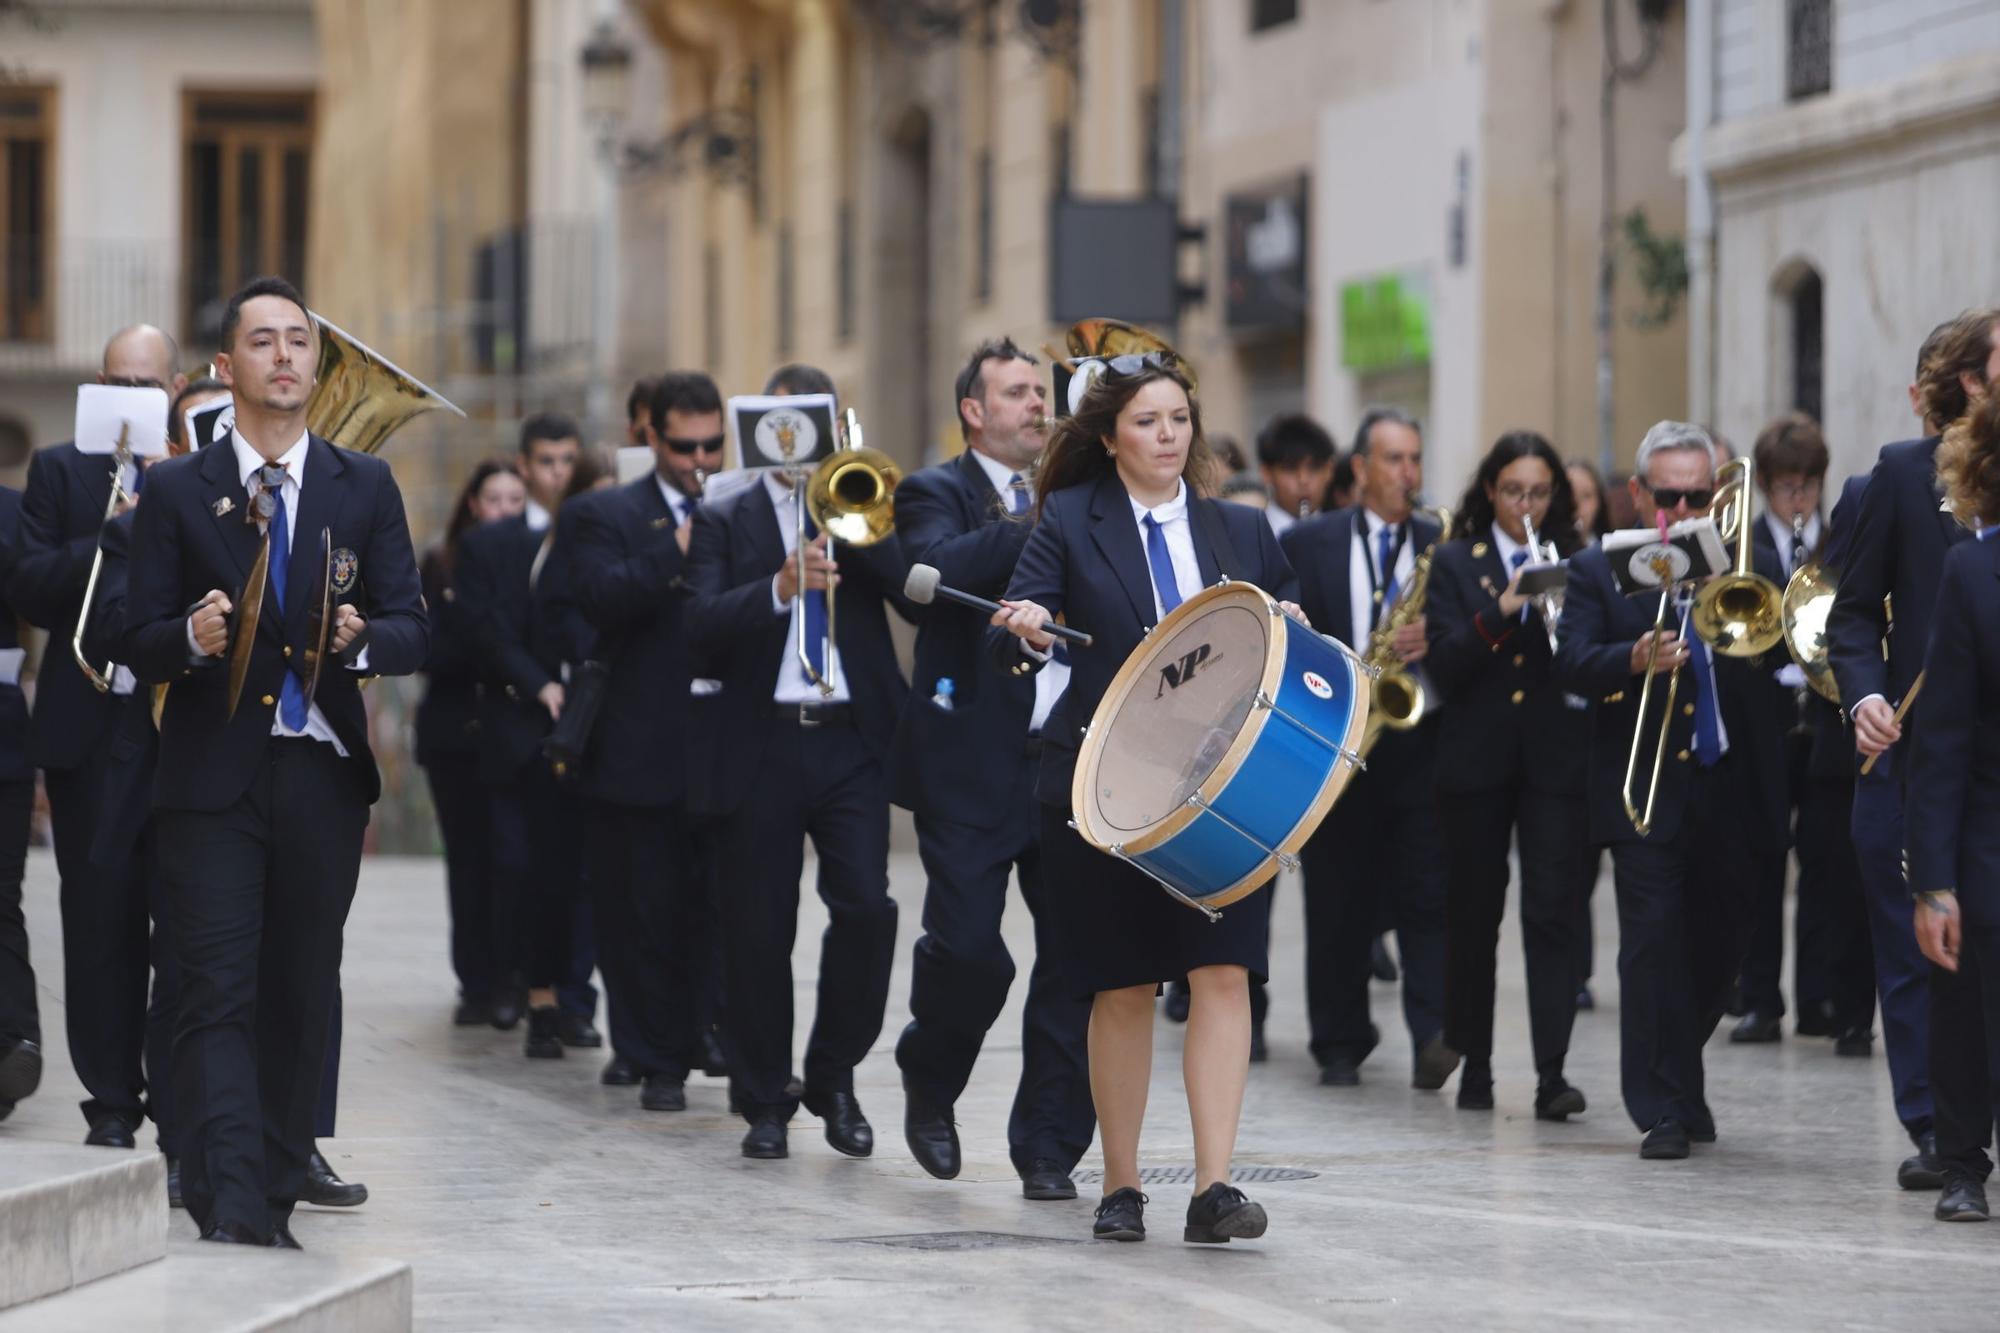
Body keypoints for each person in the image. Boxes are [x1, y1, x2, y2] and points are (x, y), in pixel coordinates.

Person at [119, 275, 427, 1246]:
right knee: (213, 985)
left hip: (321, 775)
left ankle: (277, 1181)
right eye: (264, 341)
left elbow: (416, 625)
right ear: (227, 366)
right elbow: (130, 633)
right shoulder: (175, 489)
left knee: (301, 986)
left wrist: (362, 635)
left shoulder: (364, 483)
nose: (286, 356)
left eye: (299, 340)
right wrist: (190, 637)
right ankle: (235, 1203)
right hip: (211, 777)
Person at [990, 356, 1297, 1244]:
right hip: (1107, 788)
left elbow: (1288, 631)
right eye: (1147, 422)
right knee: (1121, 984)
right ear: (1109, 437)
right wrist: (1027, 633)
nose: (1168, 436)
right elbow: (1021, 636)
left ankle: (1215, 1187)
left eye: (1178, 419)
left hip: (1227, 790)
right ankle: (1121, 1185)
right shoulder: (1066, 525)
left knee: (1224, 972)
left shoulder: (1241, 527)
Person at [686, 362, 911, 1162]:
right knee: (758, 927)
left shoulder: (862, 502)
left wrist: (856, 514)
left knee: (866, 907)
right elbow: (699, 624)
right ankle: (765, 1096)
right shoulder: (726, 516)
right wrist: (778, 587)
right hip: (763, 738)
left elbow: (911, 591)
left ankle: (833, 1074)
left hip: (850, 736)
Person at [890, 338, 1093, 1200]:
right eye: (1016, 393)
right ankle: (929, 1078)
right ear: (975, 410)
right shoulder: (933, 490)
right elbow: (927, 576)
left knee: (1076, 963)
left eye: (1041, 394)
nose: (1036, 407)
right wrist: (1042, 517)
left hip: (1069, 757)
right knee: (972, 953)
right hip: (969, 763)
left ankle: (1048, 1144)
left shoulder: (1090, 498)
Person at [1553, 421, 1787, 1159]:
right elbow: (1572, 662)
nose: (1683, 510)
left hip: (1729, 782)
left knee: (1726, 938)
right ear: (1638, 493)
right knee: (1651, 944)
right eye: (1668, 495)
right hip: (1644, 790)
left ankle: (1681, 1076)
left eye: (1697, 494)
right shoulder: (1599, 568)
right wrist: (1633, 655)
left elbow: (1779, 654)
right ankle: (1661, 1106)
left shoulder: (1751, 558)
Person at [1827, 309, 2000, 1192]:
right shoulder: (1898, 475)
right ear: (1974, 380)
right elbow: (1850, 613)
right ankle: (1938, 1128)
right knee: (1915, 951)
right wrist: (1862, 695)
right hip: (1908, 760)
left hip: (1991, 766)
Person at [8, 324, 185, 1150]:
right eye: (117, 383)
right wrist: (112, 529)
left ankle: (185, 1103)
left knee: (188, 922)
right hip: (90, 725)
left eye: (148, 386)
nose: (132, 400)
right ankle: (111, 1098)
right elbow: (34, 586)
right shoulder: (57, 469)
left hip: (177, 726)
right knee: (99, 920)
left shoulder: (203, 468)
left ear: (176, 387)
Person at [557, 371, 716, 1114]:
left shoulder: (742, 505)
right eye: (685, 446)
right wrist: (678, 548)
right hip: (635, 742)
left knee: (711, 908)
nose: (701, 460)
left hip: (722, 742)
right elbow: (596, 596)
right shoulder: (603, 511)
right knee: (636, 910)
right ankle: (652, 1054)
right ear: (651, 436)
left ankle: (700, 1034)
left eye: (714, 444)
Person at [1280, 407, 1452, 1090]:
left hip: (1420, 738)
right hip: (1338, 737)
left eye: (1414, 459)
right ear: (1360, 468)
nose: (1408, 473)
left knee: (1427, 891)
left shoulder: (1442, 538)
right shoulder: (1309, 539)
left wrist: (1434, 638)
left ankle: (1433, 1034)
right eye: (1394, 459)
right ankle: (1339, 1040)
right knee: (1337, 893)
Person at [1424, 431, 1589, 1117]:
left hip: (1552, 759)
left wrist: (1562, 615)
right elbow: (1445, 662)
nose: (1527, 503)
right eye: (1515, 490)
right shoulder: (1458, 561)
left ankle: (1552, 1073)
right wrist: (1505, 608)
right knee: (1474, 916)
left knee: (1552, 911)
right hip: (1477, 759)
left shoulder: (1577, 560)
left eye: (1540, 492)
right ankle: (1476, 1064)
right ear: (1491, 490)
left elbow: (1587, 653)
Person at [457, 414, 598, 1058]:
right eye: (544, 461)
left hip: (588, 728)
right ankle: (527, 986)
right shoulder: (493, 545)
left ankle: (574, 998)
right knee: (518, 866)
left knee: (581, 872)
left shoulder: (597, 532)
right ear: (523, 465)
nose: (557, 474)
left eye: (567, 460)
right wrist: (539, 682)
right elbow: (487, 631)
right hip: (520, 729)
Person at [1908, 385, 2000, 1222]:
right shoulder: (1970, 569)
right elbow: (1940, 742)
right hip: (1987, 831)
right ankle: (1965, 1160)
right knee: (1968, 993)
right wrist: (1934, 881)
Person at [1734, 414, 1855, 1045]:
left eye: (1808, 484)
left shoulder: (1838, 543)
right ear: (1768, 490)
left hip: (1825, 720)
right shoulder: (1746, 547)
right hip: (1766, 719)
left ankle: (1818, 997)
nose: (1798, 497)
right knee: (1762, 854)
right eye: (1786, 486)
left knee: (1826, 860)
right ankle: (1760, 999)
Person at [416, 460, 525, 1027]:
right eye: (495, 499)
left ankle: (516, 975)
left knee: (513, 861)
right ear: (474, 505)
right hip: (456, 735)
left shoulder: (533, 558)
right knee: (469, 862)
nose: (505, 510)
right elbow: (426, 647)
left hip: (512, 736)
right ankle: (476, 981)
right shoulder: (442, 563)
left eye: (515, 499)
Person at [1564, 458, 1613, 1009]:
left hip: (1604, 717)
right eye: (1569, 496)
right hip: (1562, 723)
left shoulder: (1612, 559)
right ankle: (1574, 972)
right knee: (1571, 858)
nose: (1578, 508)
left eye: (1586, 496)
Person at [0, 480, 38, 1124]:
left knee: (2, 895)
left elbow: (35, 589)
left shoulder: (10, 509)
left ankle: (13, 1042)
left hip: (0, 733)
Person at [1256, 413, 1335, 537]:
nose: (1304, 480)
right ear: (1267, 473)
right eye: (1290, 468)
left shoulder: (1345, 534)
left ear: (1329, 470)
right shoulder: (1253, 535)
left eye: (1314, 467)